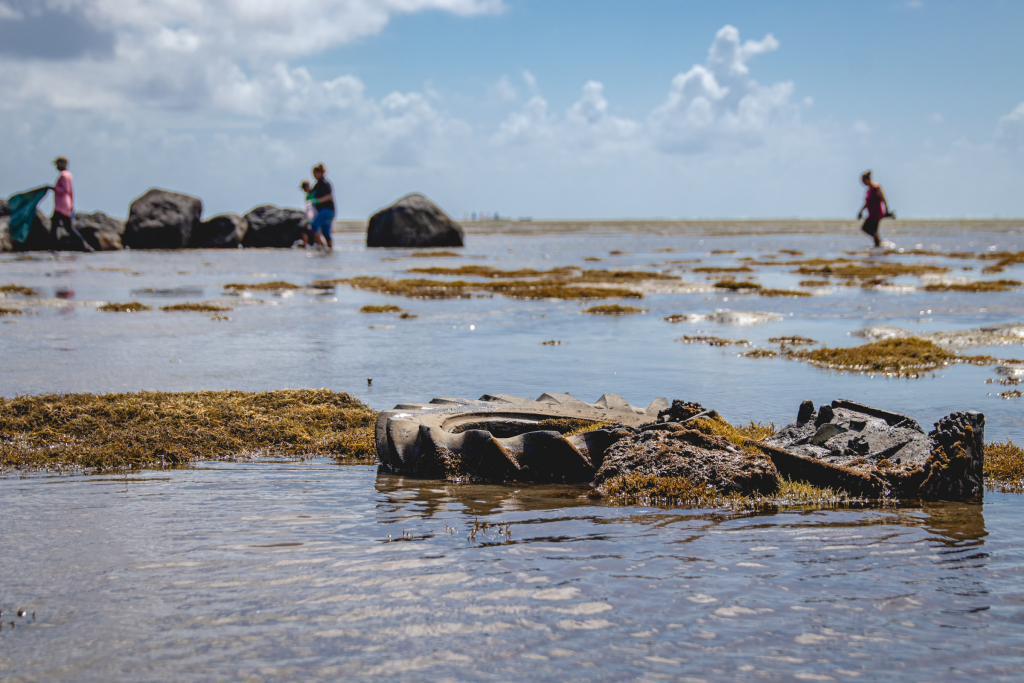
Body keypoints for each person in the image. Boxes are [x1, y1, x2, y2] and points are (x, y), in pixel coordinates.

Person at [47, 157, 93, 252]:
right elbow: (71, 192)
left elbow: (65, 190)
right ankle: (83, 245)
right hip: (66, 204)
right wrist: (72, 204)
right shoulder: (68, 175)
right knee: (66, 227)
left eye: (57, 164)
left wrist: (53, 188)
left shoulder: (64, 176)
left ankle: (54, 247)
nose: (56, 167)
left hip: (61, 206)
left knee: (57, 226)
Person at [856, 170, 893, 248]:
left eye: (863, 181)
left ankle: (879, 242)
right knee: (873, 231)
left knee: (866, 228)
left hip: (876, 213)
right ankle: (878, 246)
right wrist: (860, 211)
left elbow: (883, 198)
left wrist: (886, 210)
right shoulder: (868, 190)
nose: (863, 183)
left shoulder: (875, 187)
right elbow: (866, 203)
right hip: (871, 214)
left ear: (868, 179)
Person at [309, 163, 335, 250]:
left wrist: (318, 201)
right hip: (322, 210)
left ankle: (321, 248)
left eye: (316, 173)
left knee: (314, 225)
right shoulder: (316, 185)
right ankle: (330, 250)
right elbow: (311, 194)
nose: (314, 175)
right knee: (326, 232)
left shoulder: (324, 183)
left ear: (321, 173)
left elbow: (329, 196)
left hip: (327, 210)